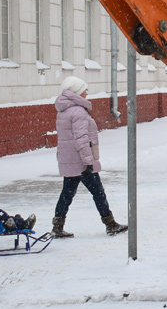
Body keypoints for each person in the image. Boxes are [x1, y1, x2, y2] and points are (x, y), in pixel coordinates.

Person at [50, 77, 127, 238]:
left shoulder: (64, 110)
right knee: (98, 192)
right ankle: (110, 224)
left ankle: (57, 226)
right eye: (85, 89)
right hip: (81, 161)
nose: (87, 92)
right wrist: (88, 162)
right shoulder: (78, 112)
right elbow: (81, 139)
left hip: (69, 159)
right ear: (77, 92)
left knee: (67, 193)